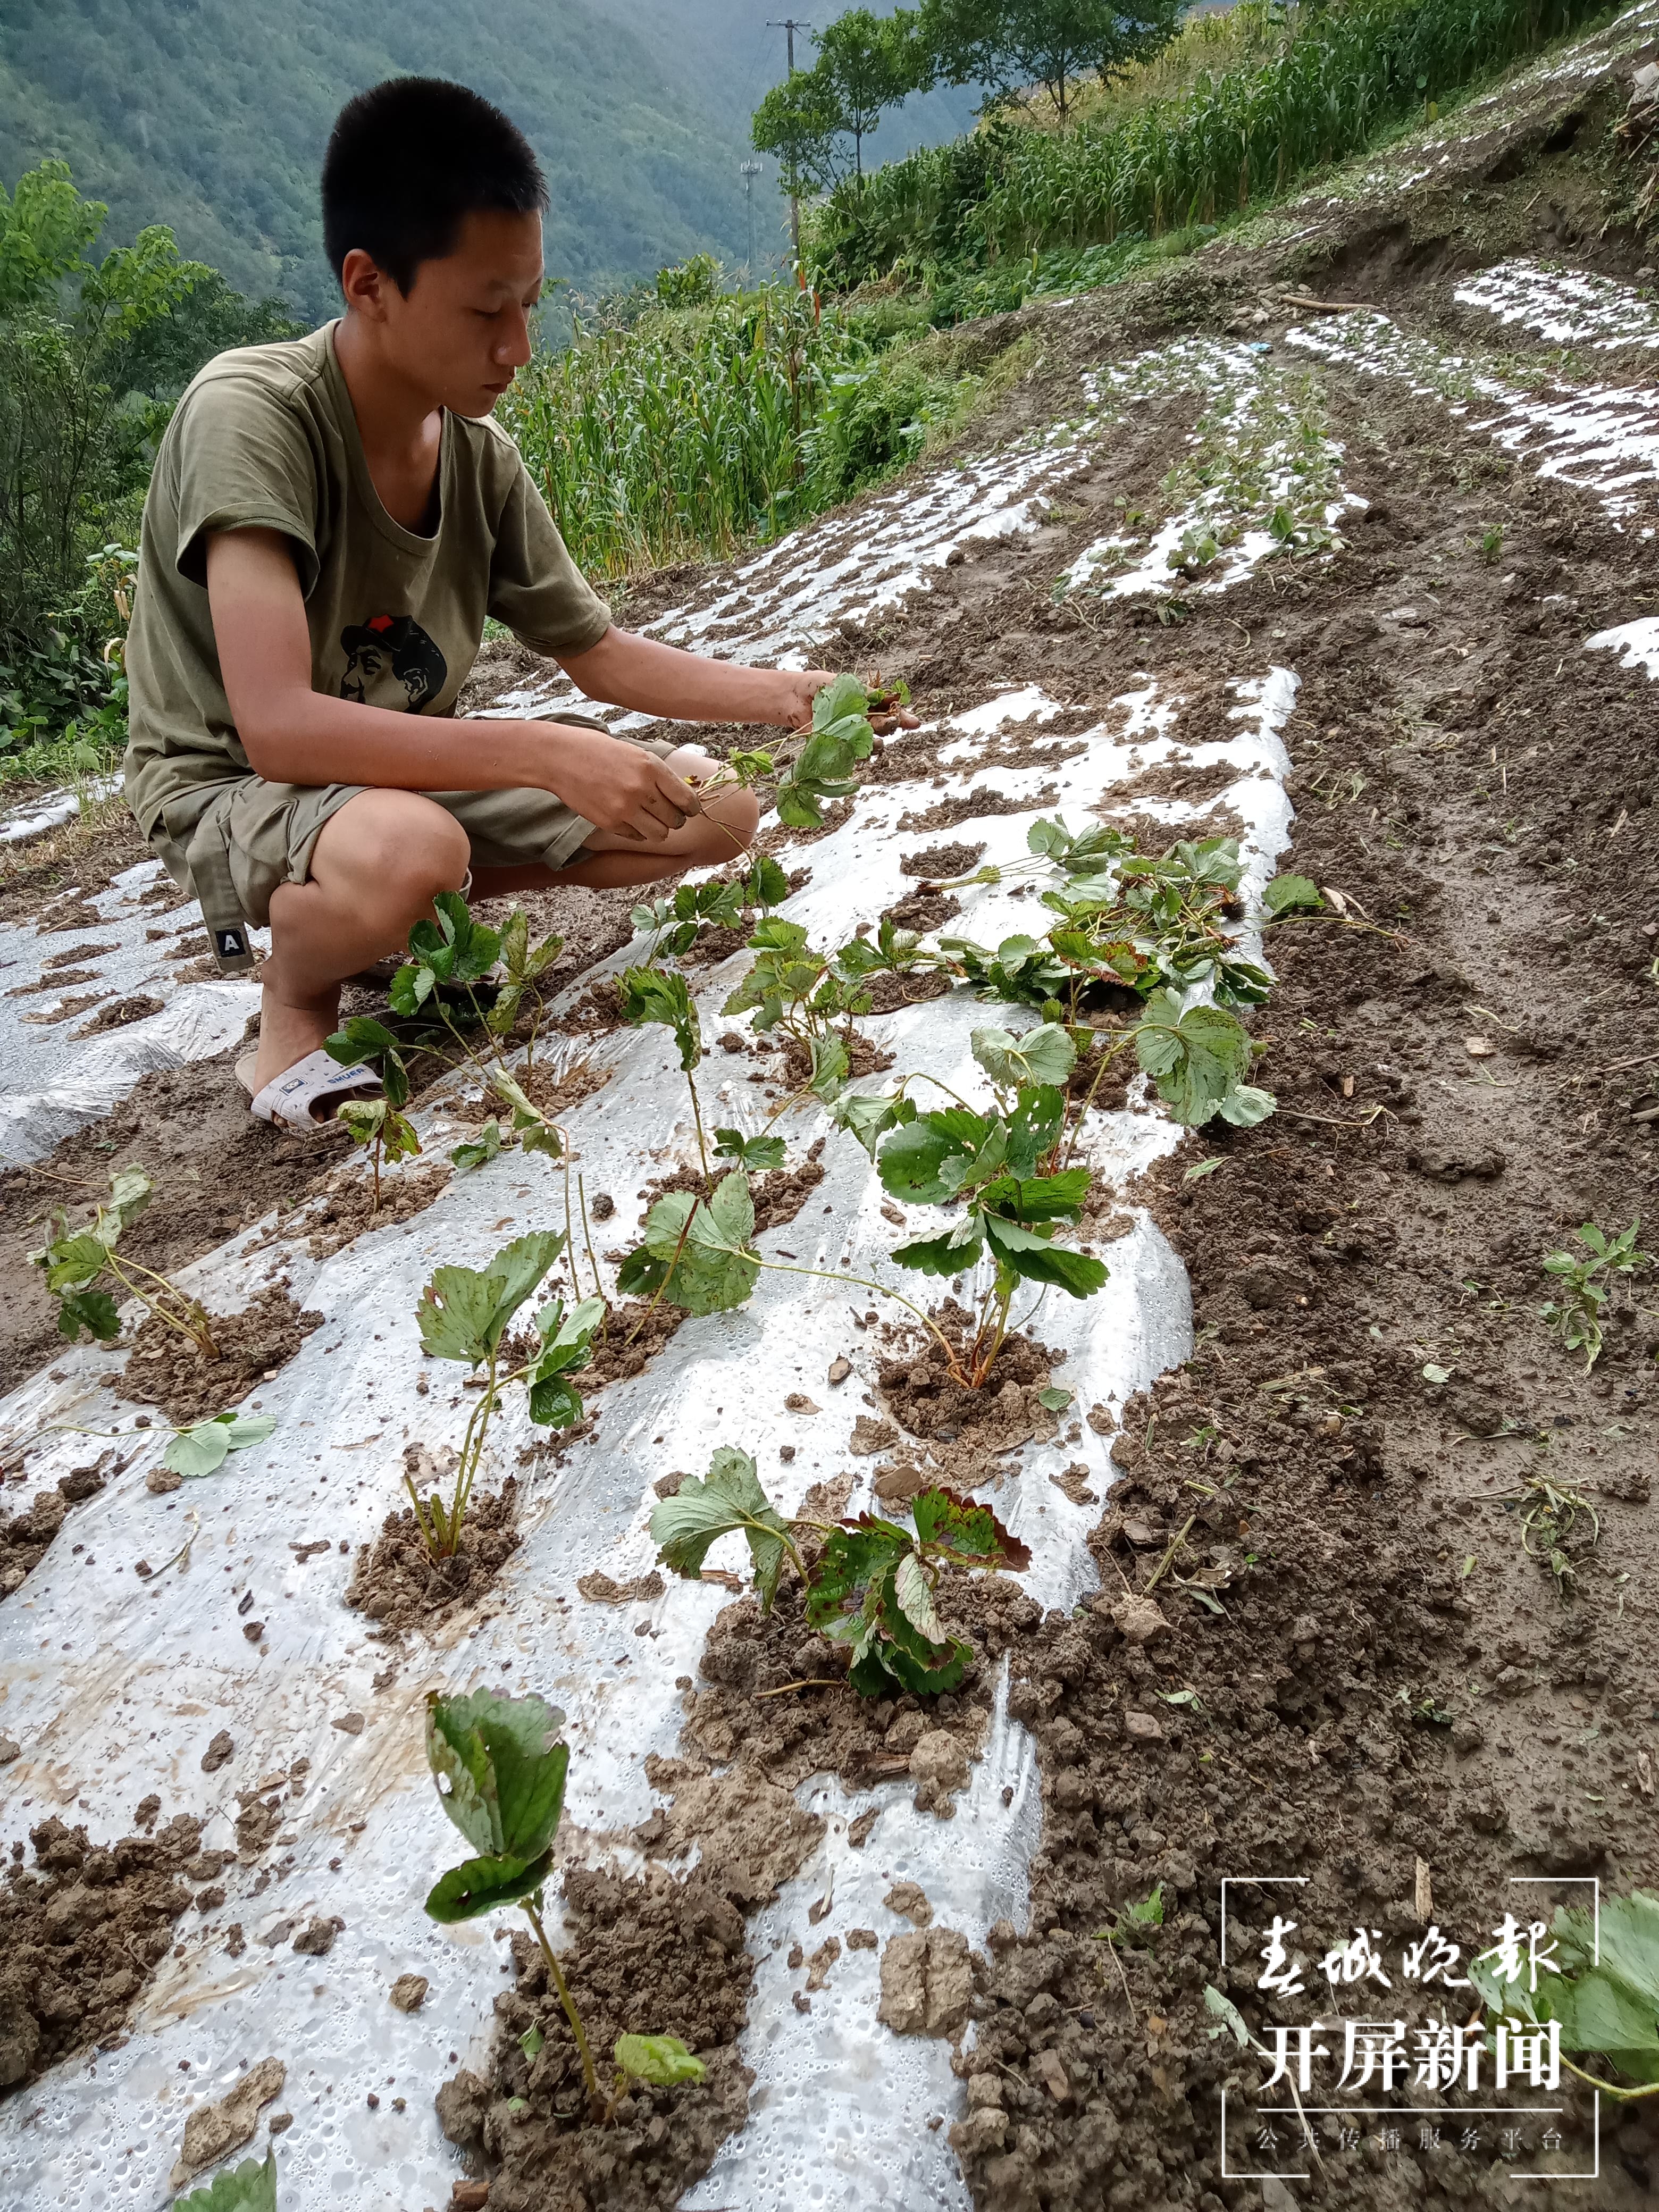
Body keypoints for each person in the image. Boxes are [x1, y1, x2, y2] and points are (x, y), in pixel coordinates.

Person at [123, 76, 877, 1133]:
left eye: (529, 304)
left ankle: (404, 917)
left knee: (717, 812)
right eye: (486, 310)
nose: (517, 347)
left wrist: (789, 694)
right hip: (233, 791)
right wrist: (544, 752)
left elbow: (599, 652)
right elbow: (278, 726)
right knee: (416, 851)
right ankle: (297, 993)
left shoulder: (479, 461)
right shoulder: (251, 418)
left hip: (384, 791)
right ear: (370, 282)